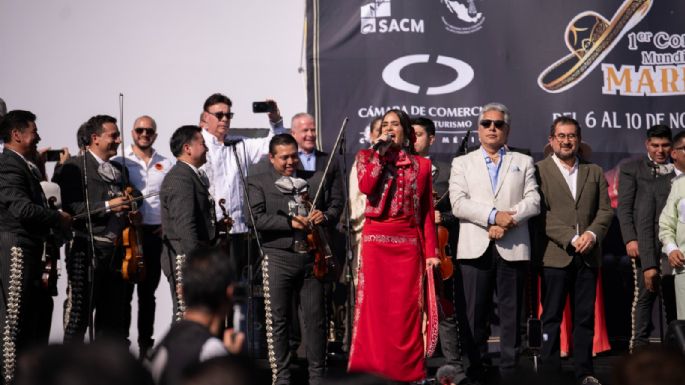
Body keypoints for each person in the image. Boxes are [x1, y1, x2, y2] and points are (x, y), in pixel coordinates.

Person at [448, 103, 540, 379]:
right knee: (474, 314)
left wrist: (506, 222)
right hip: (475, 246)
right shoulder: (462, 163)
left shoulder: (523, 161)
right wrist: (492, 217)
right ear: (478, 129)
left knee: (513, 316)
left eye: (498, 124)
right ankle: (475, 369)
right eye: (486, 123)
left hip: (512, 246)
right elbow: (458, 204)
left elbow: (533, 201)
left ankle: (511, 370)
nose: (492, 128)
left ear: (507, 130)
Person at [348, 109, 439, 382]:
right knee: (375, 314)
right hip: (376, 245)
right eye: (384, 125)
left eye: (395, 124)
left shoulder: (421, 165)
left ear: (406, 131)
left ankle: (408, 373)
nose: (389, 129)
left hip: (408, 246)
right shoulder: (366, 157)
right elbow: (366, 186)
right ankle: (372, 372)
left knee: (406, 314)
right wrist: (378, 153)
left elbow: (425, 212)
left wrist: (432, 253)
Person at [247, 133, 342, 384]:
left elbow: (336, 204)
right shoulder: (257, 182)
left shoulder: (315, 179)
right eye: (284, 157)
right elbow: (254, 219)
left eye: (294, 156)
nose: (291, 162)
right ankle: (282, 378)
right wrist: (289, 222)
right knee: (278, 320)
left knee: (316, 320)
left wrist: (327, 216)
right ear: (271, 158)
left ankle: (317, 377)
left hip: (312, 259)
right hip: (277, 258)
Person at [535, 116, 613, 385]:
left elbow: (605, 210)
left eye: (571, 136)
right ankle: (550, 372)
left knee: (584, 318)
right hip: (554, 255)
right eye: (561, 136)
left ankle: (584, 372)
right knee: (552, 318)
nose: (566, 141)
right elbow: (539, 213)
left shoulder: (595, 171)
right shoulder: (538, 171)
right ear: (551, 140)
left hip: (588, 257)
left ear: (579, 140)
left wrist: (591, 234)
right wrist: (571, 237)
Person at [0, 110, 72, 382]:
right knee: (13, 323)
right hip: (16, 250)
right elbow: (21, 208)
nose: (39, 137)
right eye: (33, 132)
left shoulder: (25, 165)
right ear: (16, 135)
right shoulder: (8, 164)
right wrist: (58, 218)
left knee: (31, 322)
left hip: (32, 252)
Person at [55, 114, 137, 343]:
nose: (118, 141)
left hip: (117, 252)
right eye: (113, 136)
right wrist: (108, 206)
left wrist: (131, 202)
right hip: (85, 248)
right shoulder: (74, 167)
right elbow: (71, 208)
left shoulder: (120, 170)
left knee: (112, 320)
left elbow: (136, 195)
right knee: (79, 315)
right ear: (95, 138)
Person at [198, 93, 284, 280]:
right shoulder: (197, 143)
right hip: (209, 231)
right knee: (210, 289)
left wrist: (275, 119)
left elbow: (276, 145)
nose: (225, 119)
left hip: (237, 230)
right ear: (206, 118)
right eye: (219, 115)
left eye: (229, 115)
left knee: (232, 289)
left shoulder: (238, 143)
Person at [112, 115, 174, 358]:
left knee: (148, 294)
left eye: (149, 131)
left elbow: (169, 198)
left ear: (155, 135)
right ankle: (123, 344)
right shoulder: (120, 161)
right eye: (140, 130)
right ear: (133, 132)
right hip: (129, 234)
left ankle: (145, 345)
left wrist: (166, 225)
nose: (144, 134)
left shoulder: (165, 163)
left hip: (154, 235)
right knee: (125, 293)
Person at [412, 116, 468, 384]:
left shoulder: (448, 172)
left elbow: (462, 210)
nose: (414, 139)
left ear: (431, 139)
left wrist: (441, 218)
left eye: (419, 134)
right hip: (409, 249)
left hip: (440, 249)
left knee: (444, 307)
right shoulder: (400, 171)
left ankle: (454, 366)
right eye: (409, 134)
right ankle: (412, 366)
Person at [149, 246, 244, 385]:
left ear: (181, 292)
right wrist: (231, 363)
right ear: (229, 294)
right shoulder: (211, 351)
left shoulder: (163, 346)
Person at [617, 125, 673, 351]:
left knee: (673, 298)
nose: (660, 150)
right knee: (645, 296)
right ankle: (638, 349)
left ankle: (675, 347)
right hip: (643, 242)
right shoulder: (632, 169)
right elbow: (624, 208)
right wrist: (630, 238)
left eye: (665, 145)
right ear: (647, 145)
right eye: (655, 145)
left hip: (673, 245)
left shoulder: (677, 170)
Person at [160, 125, 217, 320]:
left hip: (190, 254)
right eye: (202, 144)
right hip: (183, 257)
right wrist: (194, 264)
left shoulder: (190, 175)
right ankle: (178, 351)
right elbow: (185, 224)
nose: (207, 148)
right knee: (186, 314)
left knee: (197, 313)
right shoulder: (180, 177)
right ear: (188, 148)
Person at [638, 131, 685, 324]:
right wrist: (672, 248)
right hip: (682, 265)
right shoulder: (679, 185)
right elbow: (663, 224)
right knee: (679, 323)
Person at [348, 117, 382, 285]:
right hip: (367, 228)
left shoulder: (402, 158)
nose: (383, 135)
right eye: (379, 131)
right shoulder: (363, 159)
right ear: (371, 135)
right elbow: (355, 199)